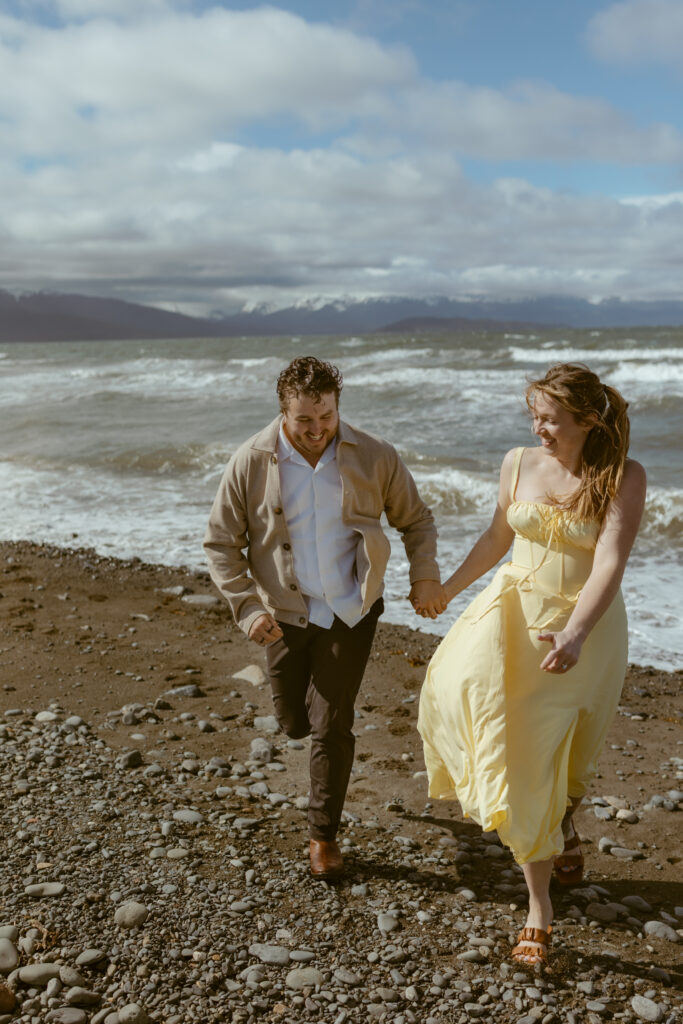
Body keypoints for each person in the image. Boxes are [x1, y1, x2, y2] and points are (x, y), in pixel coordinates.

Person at [417, 362, 646, 965]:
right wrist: (447, 587)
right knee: (493, 727)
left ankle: (562, 827)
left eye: (549, 418)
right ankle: (539, 906)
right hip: (509, 617)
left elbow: (608, 565)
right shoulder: (517, 462)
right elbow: (498, 538)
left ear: (587, 420)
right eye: (534, 416)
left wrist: (574, 632)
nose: (538, 428)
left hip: (582, 631)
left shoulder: (622, 475)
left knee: (564, 755)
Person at [205, 356, 445, 879]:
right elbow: (221, 543)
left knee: (332, 723)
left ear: (338, 407)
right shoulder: (250, 461)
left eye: (327, 418)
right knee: (293, 720)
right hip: (284, 613)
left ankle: (323, 836)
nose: (317, 432)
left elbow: (417, 521)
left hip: (350, 609)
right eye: (304, 422)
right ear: (283, 412)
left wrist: (424, 575)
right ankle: (302, 716)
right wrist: (247, 607)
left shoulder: (375, 455)